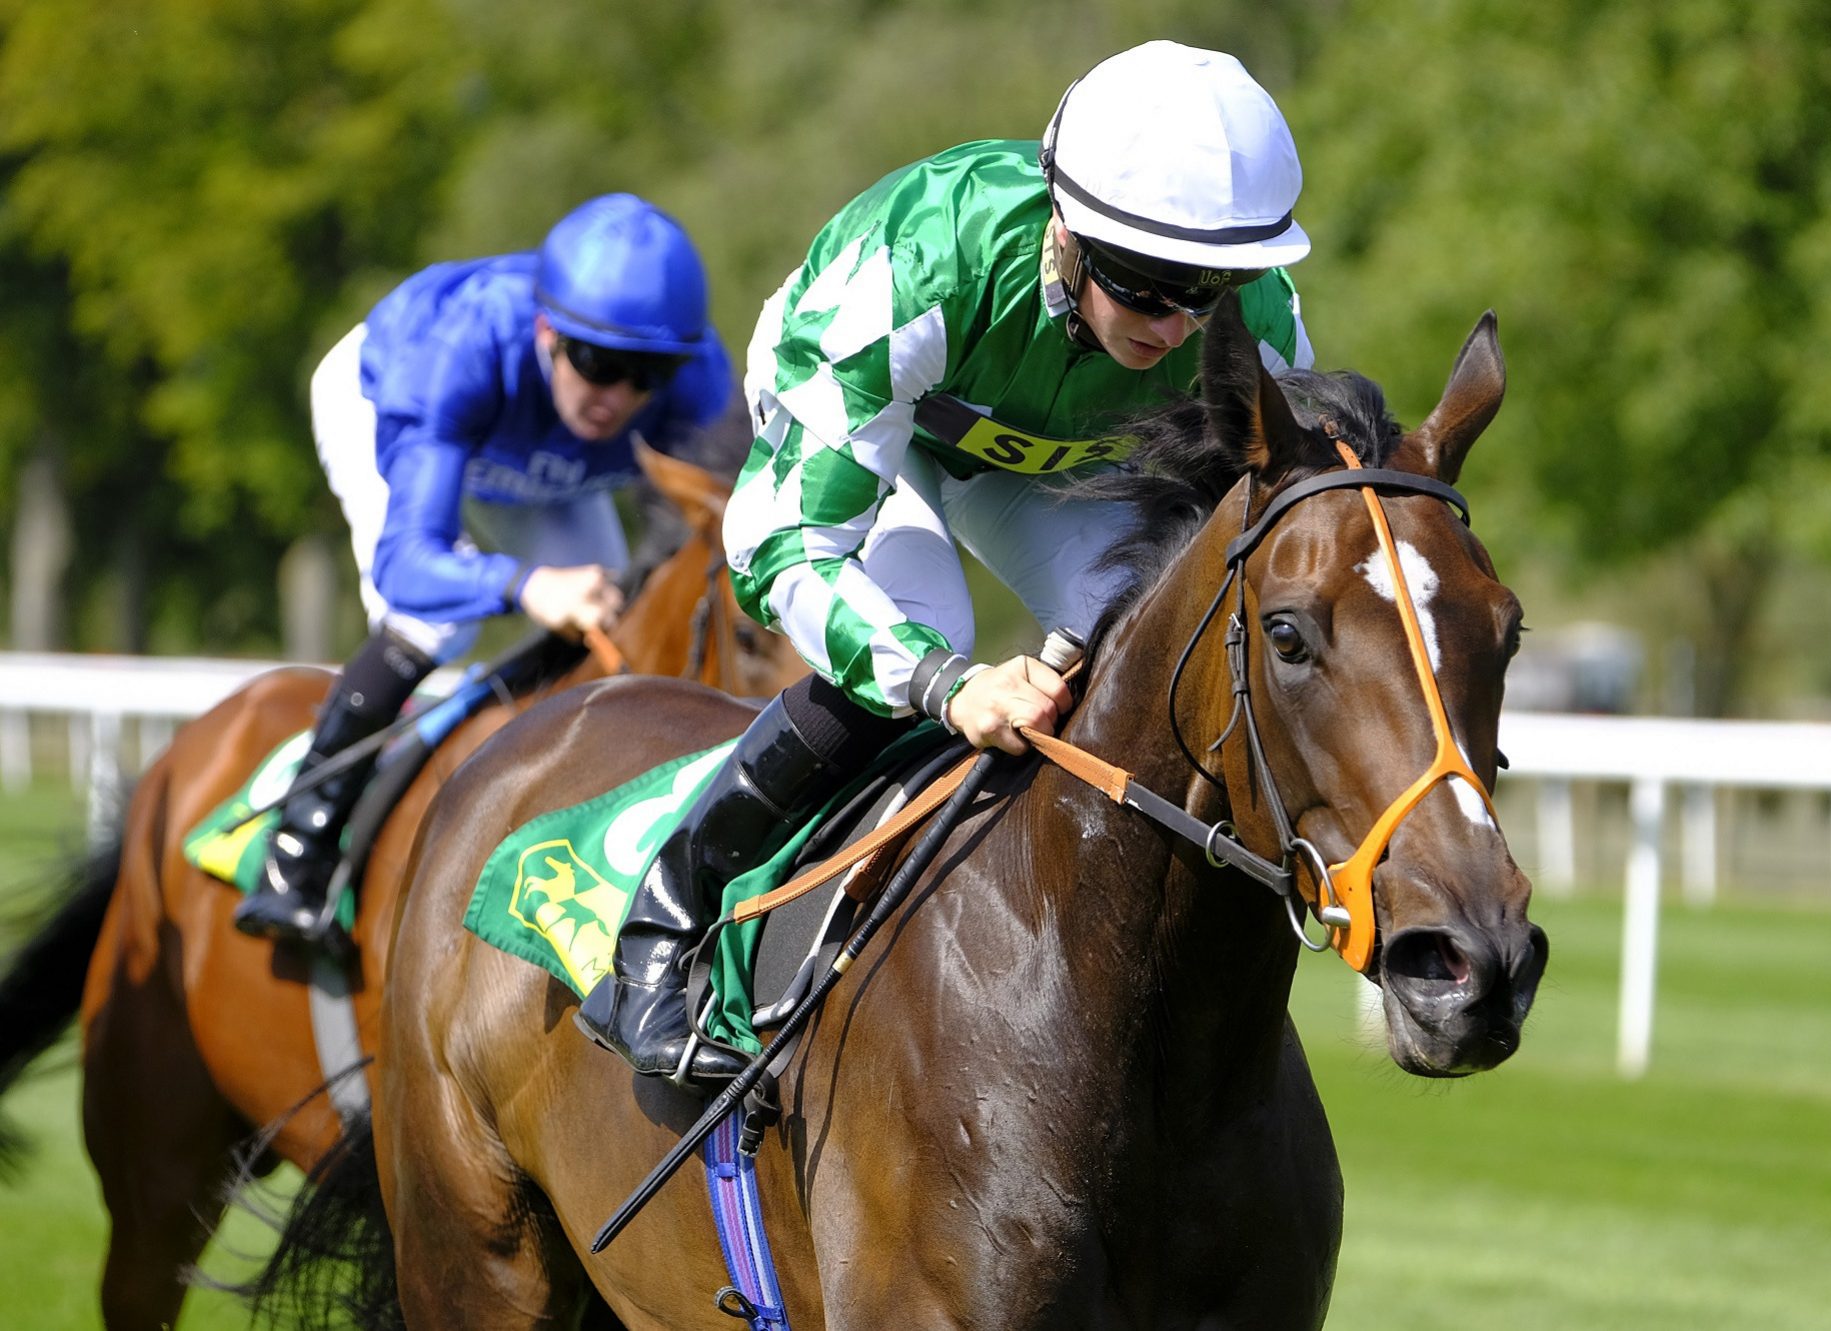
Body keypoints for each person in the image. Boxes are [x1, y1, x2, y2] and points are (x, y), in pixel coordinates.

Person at [576, 40, 1317, 1080]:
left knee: (1145, 620)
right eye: (1150, 285)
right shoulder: (916, 267)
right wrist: (945, 681)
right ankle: (662, 928)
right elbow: (781, 547)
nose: (1179, 324)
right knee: (925, 630)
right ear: (1066, 222)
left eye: (1215, 289)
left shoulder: (1258, 324)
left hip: (1040, 457)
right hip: (883, 419)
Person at [234, 193, 734, 947]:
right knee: (441, 618)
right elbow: (408, 562)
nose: (619, 397)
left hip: (540, 462)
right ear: (547, 332)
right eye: (598, 365)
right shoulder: (461, 351)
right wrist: (525, 584)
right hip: (394, 402)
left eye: (647, 375)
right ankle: (298, 846)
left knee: (614, 613)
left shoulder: (697, 383)